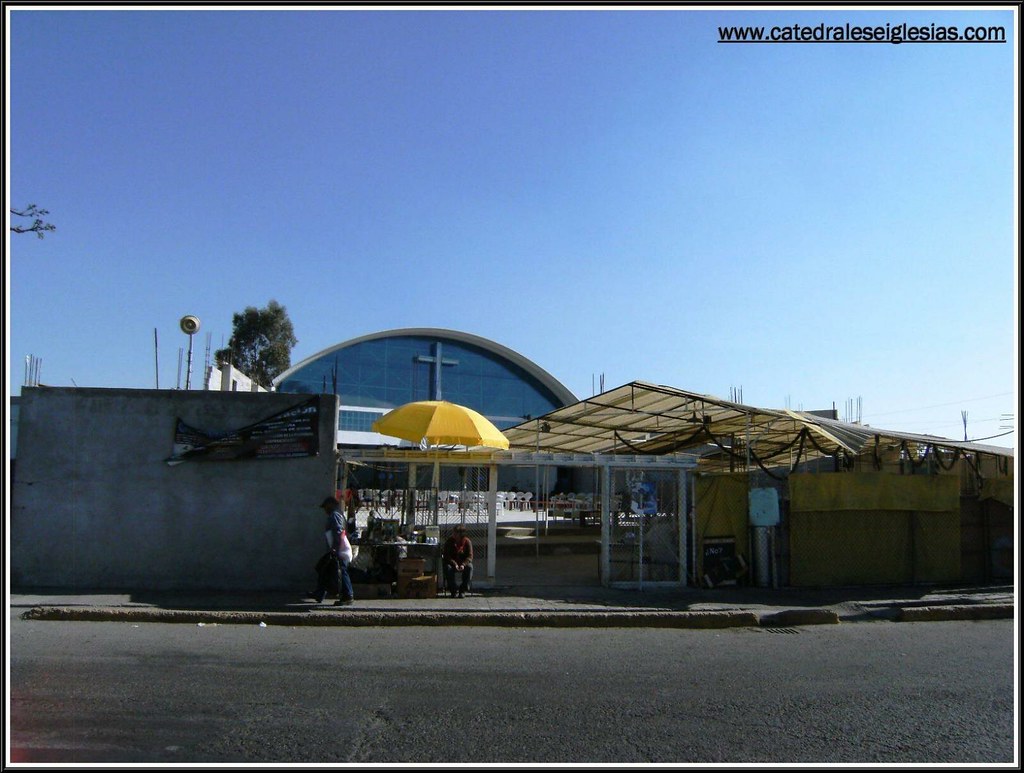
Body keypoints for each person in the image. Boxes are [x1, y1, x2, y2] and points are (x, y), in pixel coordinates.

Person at [307, 496, 354, 605]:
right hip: (338, 548)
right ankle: (319, 593)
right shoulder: (337, 514)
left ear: (332, 505)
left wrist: (335, 548)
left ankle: (348, 596)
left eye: (326, 507)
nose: (325, 510)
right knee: (325, 569)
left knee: (342, 571)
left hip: (340, 549)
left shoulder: (335, 515)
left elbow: (338, 532)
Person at [442, 524, 473, 598]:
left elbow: (470, 556)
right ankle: (453, 590)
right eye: (454, 533)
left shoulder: (467, 542)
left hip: (463, 563)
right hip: (452, 562)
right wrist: (454, 564)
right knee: (448, 568)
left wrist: (463, 564)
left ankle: (463, 590)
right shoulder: (449, 542)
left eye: (456, 533)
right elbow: (446, 555)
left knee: (469, 567)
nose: (454, 535)